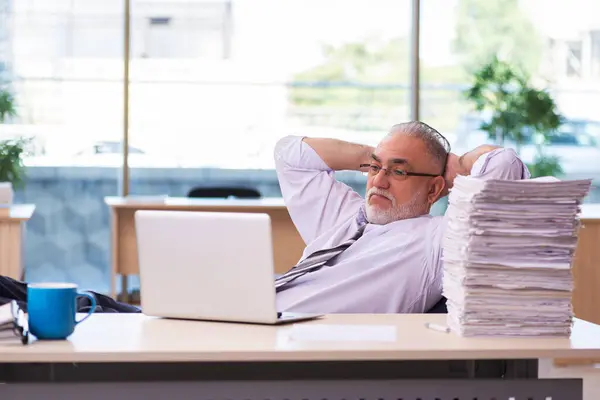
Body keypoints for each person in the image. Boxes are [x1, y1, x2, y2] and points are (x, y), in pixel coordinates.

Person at [274, 121, 530, 314]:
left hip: (294, 349)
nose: (379, 181)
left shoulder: (439, 241)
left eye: (398, 172)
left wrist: (459, 166)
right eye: (374, 168)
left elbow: (504, 164)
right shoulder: (346, 217)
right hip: (254, 317)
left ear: (434, 189)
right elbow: (290, 155)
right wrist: (375, 155)